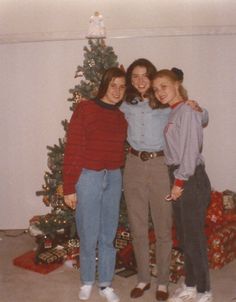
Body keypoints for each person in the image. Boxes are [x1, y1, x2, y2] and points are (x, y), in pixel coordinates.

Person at [120, 58, 208, 301]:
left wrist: (199, 107)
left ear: (153, 77)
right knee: (137, 227)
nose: (140, 81)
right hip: (134, 165)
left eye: (144, 75)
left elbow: (198, 117)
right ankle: (143, 279)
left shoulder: (165, 103)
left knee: (163, 228)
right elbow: (106, 106)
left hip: (161, 166)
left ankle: (162, 282)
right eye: (134, 76)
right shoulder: (126, 104)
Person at [63, 67, 127, 302]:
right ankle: (88, 280)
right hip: (88, 177)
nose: (117, 91)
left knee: (108, 233)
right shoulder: (86, 108)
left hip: (113, 176)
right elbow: (73, 149)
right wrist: (69, 186)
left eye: (122, 87)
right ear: (105, 85)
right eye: (113, 85)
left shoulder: (121, 116)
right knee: (88, 232)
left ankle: (106, 284)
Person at [152, 69, 212, 302]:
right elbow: (203, 118)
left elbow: (190, 150)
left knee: (194, 237)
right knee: (185, 237)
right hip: (179, 175)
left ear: (177, 84)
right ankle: (191, 284)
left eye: (164, 86)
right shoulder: (176, 111)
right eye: (156, 89)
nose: (159, 92)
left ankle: (205, 290)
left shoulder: (186, 110)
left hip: (189, 178)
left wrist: (179, 182)